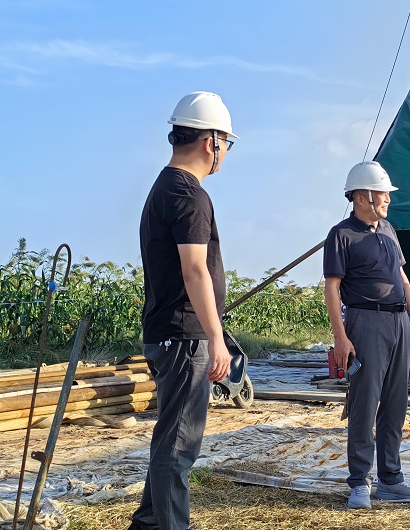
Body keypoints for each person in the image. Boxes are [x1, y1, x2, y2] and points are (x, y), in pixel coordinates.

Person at [130, 91, 236, 530]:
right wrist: (216, 338)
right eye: (227, 143)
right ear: (211, 142)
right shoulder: (189, 194)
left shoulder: (165, 186)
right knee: (179, 447)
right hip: (183, 337)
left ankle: (148, 523)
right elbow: (195, 270)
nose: (226, 152)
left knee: (170, 439)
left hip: (169, 332)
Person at [323, 161, 410, 509]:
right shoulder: (341, 234)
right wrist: (341, 337)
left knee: (396, 402)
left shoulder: (388, 229)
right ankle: (359, 482)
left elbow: (403, 278)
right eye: (383, 193)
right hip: (365, 321)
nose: (387, 199)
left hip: (398, 321)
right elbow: (332, 288)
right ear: (362, 196)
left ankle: (391, 479)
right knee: (365, 403)